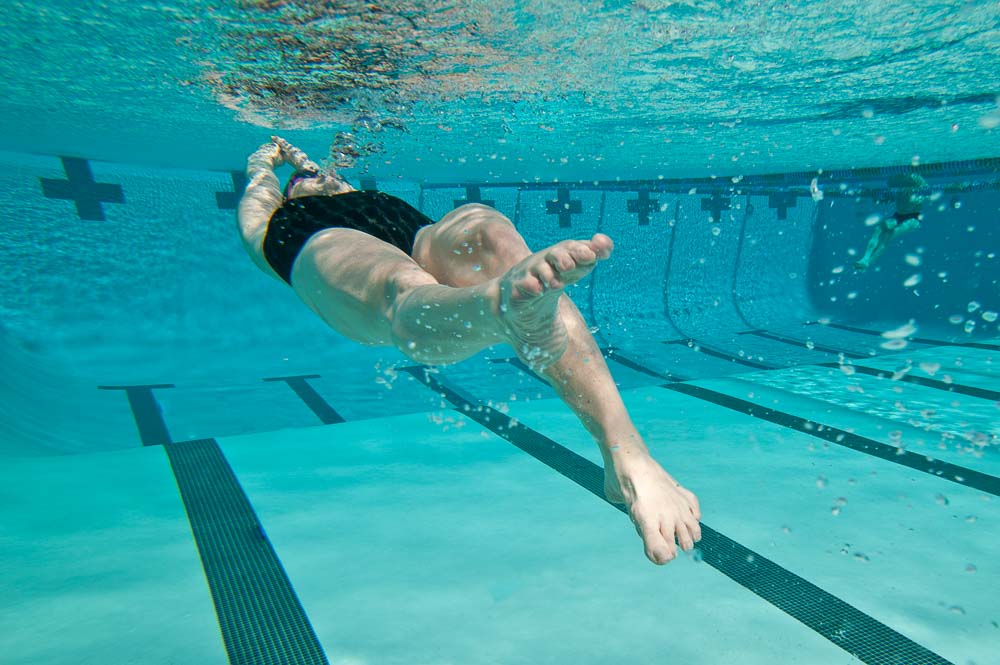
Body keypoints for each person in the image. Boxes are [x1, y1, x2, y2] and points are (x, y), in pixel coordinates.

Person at [237, 136, 701, 565]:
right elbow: (259, 187)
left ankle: (627, 452)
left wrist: (307, 167)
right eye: (299, 182)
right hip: (317, 244)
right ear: (287, 193)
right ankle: (501, 309)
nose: (312, 179)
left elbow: (326, 174)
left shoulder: (344, 189)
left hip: (407, 230)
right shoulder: (272, 220)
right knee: (401, 285)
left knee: (483, 227)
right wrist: (265, 161)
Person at [854, 171, 928, 271]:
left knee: (889, 235)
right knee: (878, 230)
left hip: (914, 217)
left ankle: (868, 262)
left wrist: (916, 197)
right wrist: (880, 197)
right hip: (898, 215)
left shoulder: (917, 181)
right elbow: (887, 195)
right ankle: (865, 258)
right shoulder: (896, 181)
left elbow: (927, 193)